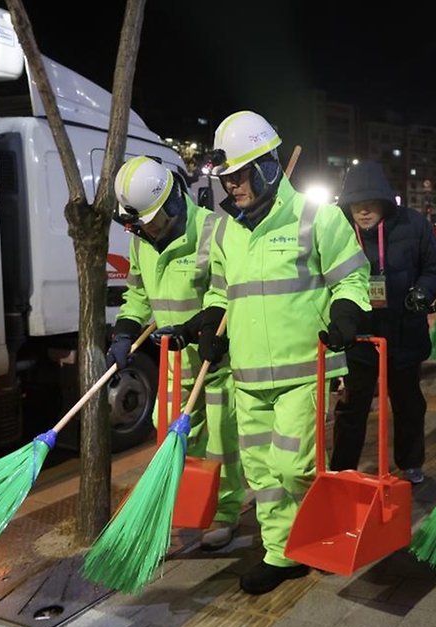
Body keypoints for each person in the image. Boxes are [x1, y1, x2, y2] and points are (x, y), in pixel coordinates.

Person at [171, 110, 371, 595]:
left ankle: (316, 528)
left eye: (239, 175)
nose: (232, 187)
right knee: (261, 473)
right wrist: (209, 325)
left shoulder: (316, 217)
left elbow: (352, 276)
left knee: (294, 466)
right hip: (248, 375)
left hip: (304, 371)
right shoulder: (223, 231)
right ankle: (283, 553)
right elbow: (222, 293)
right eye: (226, 178)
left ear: (266, 166)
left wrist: (346, 310)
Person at [107, 156, 245, 552]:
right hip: (173, 367)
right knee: (172, 445)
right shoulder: (141, 242)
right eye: (137, 224)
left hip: (214, 364)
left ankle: (224, 513)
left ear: (171, 202)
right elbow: (137, 295)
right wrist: (125, 334)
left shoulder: (214, 231)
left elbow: (224, 292)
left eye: (149, 220)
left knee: (222, 446)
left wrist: (203, 329)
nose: (145, 229)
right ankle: (179, 511)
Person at [328, 160, 436, 485]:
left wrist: (422, 292)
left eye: (371, 205)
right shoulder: (335, 230)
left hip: (404, 333)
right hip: (358, 338)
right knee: (351, 408)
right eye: (357, 205)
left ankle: (410, 463)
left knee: (409, 404)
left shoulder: (414, 225)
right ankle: (342, 471)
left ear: (384, 201)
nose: (364, 212)